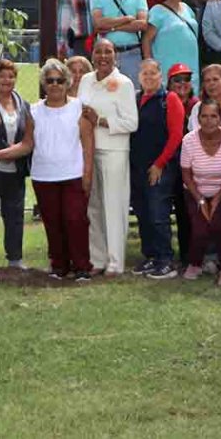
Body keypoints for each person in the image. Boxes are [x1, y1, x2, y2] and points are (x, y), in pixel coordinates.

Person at [0, 59, 94, 281]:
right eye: (50, 80)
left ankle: (82, 267)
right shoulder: (33, 111)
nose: (55, 84)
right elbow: (27, 144)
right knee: (53, 223)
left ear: (68, 82)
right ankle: (59, 267)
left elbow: (88, 144)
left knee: (75, 221)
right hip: (44, 176)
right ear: (44, 83)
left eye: (60, 80)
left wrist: (88, 174)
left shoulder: (79, 107)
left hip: (73, 174)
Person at [79, 38, 139, 276]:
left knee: (113, 206)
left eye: (108, 52)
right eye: (99, 52)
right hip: (88, 150)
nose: (103, 56)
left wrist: (101, 121)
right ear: (92, 55)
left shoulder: (123, 83)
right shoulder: (85, 80)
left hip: (114, 150)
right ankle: (97, 259)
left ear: (116, 56)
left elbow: (132, 123)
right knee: (93, 207)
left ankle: (115, 262)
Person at [179, 98, 221, 286]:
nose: (208, 120)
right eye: (204, 116)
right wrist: (200, 200)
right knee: (200, 227)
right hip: (194, 189)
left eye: (213, 116)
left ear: (220, 118)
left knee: (218, 225)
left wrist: (216, 200)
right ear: (198, 119)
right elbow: (186, 175)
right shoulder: (189, 140)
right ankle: (195, 263)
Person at [130, 59, 183, 279]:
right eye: (145, 73)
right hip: (137, 167)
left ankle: (166, 259)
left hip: (160, 167)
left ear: (161, 77)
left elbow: (176, 136)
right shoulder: (134, 99)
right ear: (139, 77)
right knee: (143, 213)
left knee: (158, 213)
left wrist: (159, 164)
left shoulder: (169, 99)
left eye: (153, 73)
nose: (149, 77)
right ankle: (150, 256)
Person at [0, 59, 33, 271]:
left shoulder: (24, 104)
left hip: (16, 169)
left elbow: (28, 135)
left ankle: (15, 258)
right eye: (2, 76)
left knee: (14, 215)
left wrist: (14, 153)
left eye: (11, 76)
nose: (7, 80)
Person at [92, 0, 150, 91]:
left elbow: (142, 24)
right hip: (106, 56)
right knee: (104, 94)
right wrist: (126, 19)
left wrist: (111, 27)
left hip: (132, 53)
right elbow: (98, 23)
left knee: (133, 93)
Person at [159, 61, 196, 265]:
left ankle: (189, 256)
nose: (182, 84)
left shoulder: (196, 104)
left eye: (186, 79)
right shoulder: (163, 103)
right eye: (177, 80)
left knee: (186, 211)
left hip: (190, 166)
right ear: (169, 83)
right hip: (169, 163)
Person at [143, 0, 200, 94]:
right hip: (167, 66)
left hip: (190, 65)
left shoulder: (188, 8)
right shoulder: (157, 11)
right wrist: (150, 67)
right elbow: (147, 40)